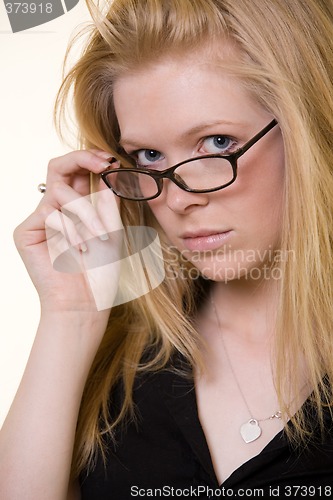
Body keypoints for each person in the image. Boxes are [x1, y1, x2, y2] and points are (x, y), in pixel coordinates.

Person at [1, 0, 333, 498]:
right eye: (149, 155)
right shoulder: (121, 354)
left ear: (310, 128)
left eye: (217, 142)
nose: (177, 198)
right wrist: (70, 316)